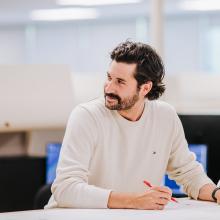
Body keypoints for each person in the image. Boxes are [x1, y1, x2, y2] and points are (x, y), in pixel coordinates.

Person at [46, 41, 220, 210]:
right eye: (109, 77)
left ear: (145, 88)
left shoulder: (165, 116)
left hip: (131, 215)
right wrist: (134, 200)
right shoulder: (86, 116)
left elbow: (188, 172)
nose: (109, 88)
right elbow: (65, 188)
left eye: (120, 82)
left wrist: (215, 193)